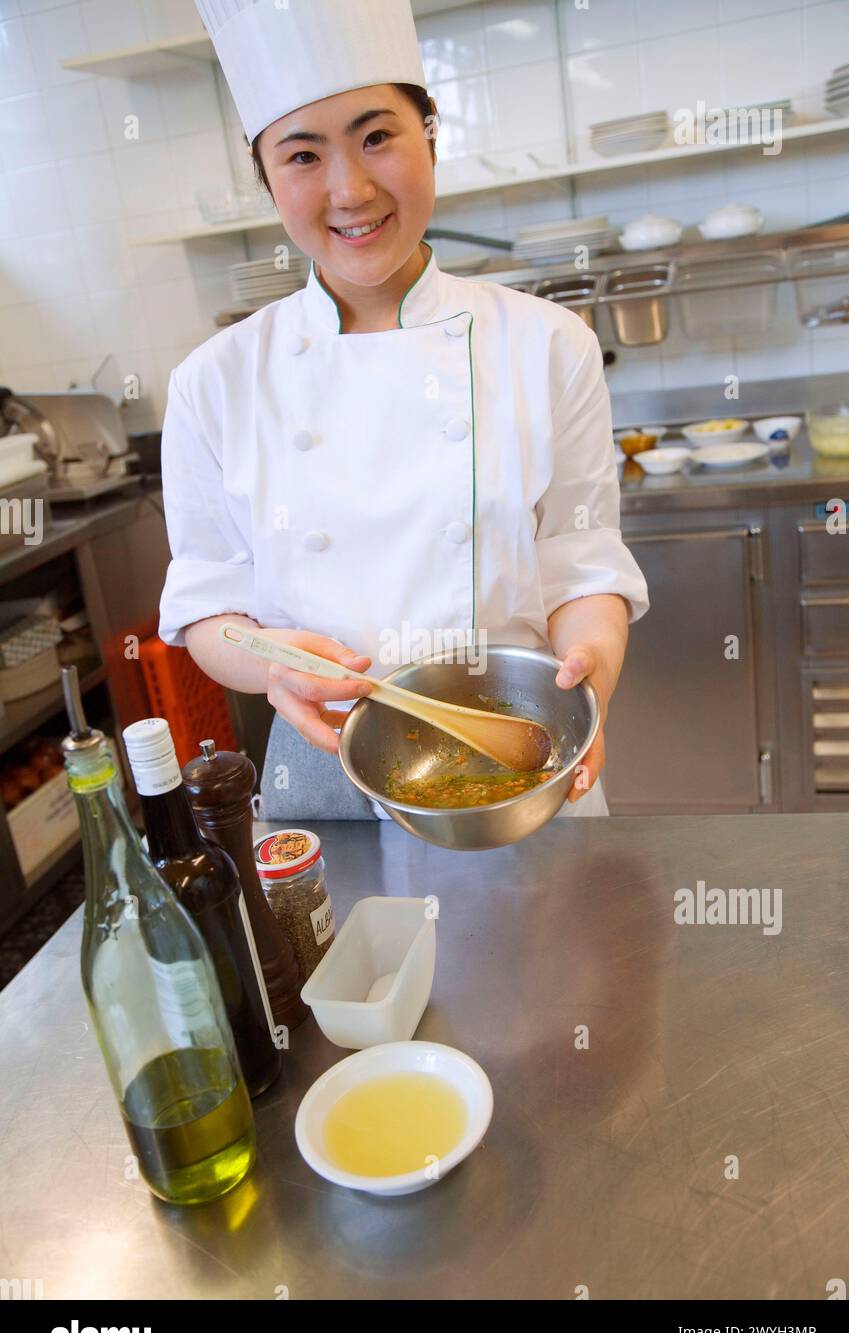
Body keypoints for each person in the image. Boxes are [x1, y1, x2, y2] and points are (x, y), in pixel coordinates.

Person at [158, 0, 649, 823]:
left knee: (553, 953)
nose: (350, 189)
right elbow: (209, 609)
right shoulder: (214, 381)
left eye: (377, 136)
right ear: (267, 177)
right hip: (321, 770)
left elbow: (583, 560)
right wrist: (272, 668)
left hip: (518, 748)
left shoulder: (548, 343)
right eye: (303, 155)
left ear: (430, 133)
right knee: (342, 953)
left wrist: (588, 673)